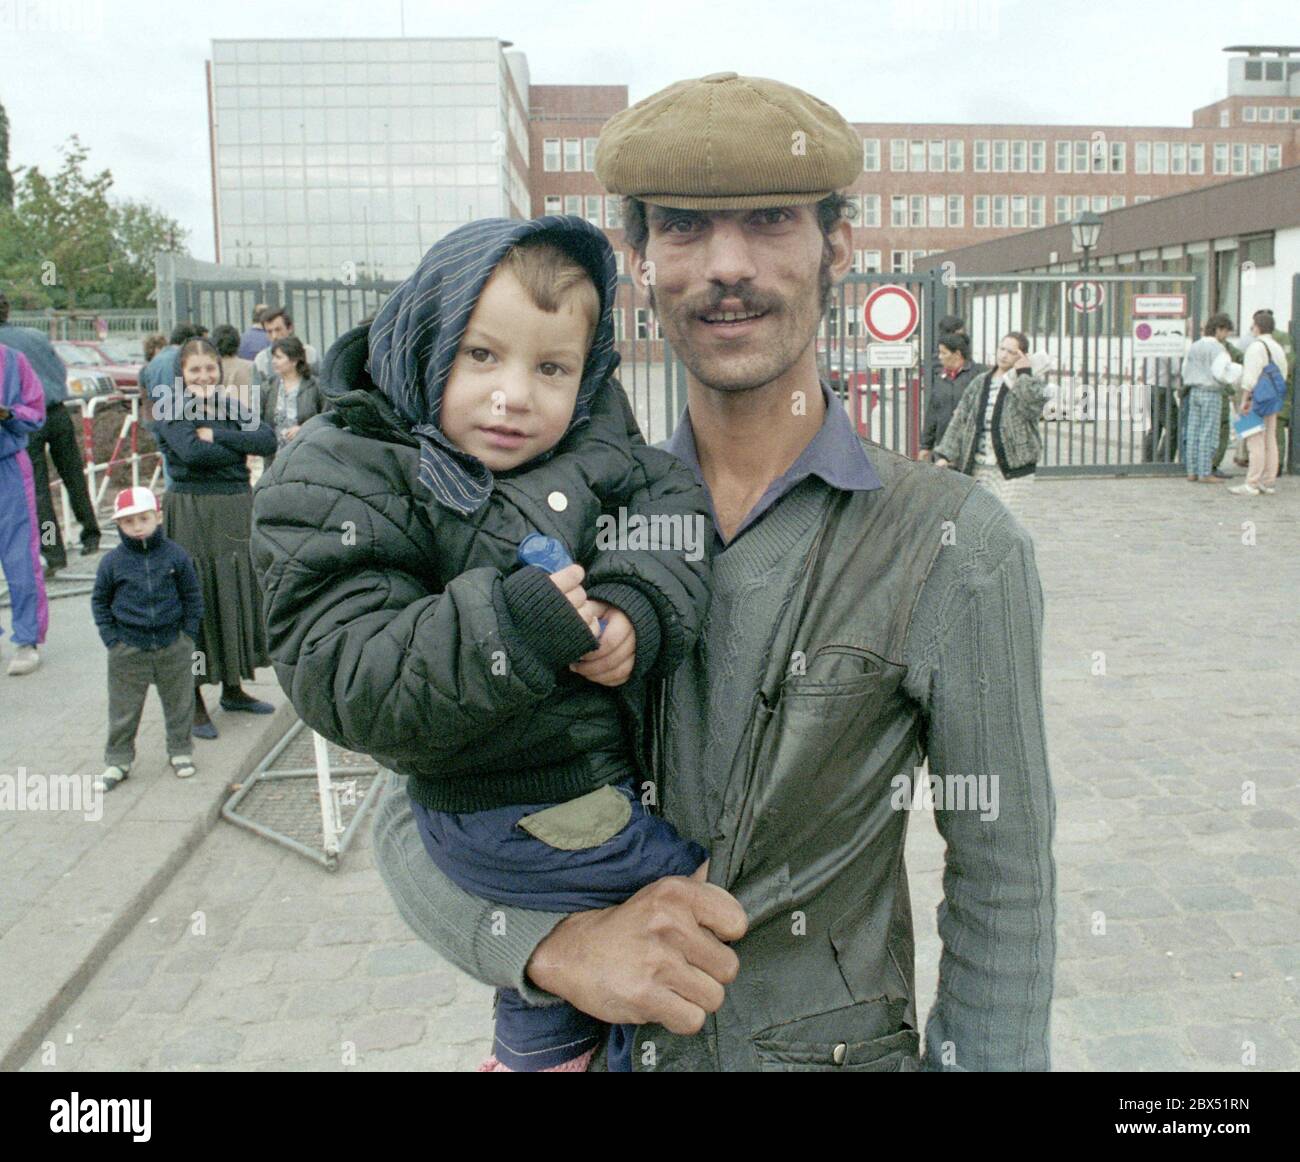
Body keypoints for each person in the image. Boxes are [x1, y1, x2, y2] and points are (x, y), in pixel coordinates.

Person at [364, 73, 1055, 1073]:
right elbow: (407, 805)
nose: (727, 265)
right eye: (685, 227)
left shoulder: (952, 543)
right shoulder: (538, 512)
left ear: (838, 244)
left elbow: (1006, 879)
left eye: (772, 219)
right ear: (640, 258)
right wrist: (552, 950)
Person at [252, 215, 713, 1072]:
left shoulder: (594, 442)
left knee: (598, 972)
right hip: (504, 801)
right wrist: (512, 628)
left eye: (551, 368)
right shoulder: (350, 471)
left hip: (584, 782)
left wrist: (635, 606)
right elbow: (347, 671)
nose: (515, 395)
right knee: (702, 893)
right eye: (482, 356)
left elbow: (674, 510)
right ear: (428, 343)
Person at [152, 337, 277, 738]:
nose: (204, 376)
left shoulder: (228, 405)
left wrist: (217, 436)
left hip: (234, 508)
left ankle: (233, 687)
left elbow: (267, 440)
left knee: (234, 591)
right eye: (195, 370)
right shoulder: (171, 409)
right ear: (181, 374)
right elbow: (191, 454)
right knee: (197, 594)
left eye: (210, 369)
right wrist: (232, 449)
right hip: (193, 511)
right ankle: (191, 700)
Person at [91, 486, 203, 791]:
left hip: (173, 645)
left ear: (158, 516)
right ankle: (118, 760)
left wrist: (187, 634)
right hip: (127, 648)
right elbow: (100, 602)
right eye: (128, 522)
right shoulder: (112, 563)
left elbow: (192, 595)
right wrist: (111, 639)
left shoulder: (176, 555)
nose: (137, 527)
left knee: (179, 703)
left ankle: (180, 751)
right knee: (123, 708)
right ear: (119, 526)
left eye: (143, 518)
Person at [0, 292, 100, 572]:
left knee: (40, 490)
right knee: (73, 476)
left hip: (23, 420)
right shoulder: (35, 336)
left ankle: (53, 552)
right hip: (56, 411)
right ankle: (91, 533)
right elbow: (58, 370)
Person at [933, 331, 1047, 510]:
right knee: (982, 522)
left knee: (1006, 523)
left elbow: (1032, 408)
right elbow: (961, 419)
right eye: (1002, 349)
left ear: (1022, 356)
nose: (1004, 355)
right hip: (979, 466)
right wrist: (945, 455)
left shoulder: (1031, 382)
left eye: (1011, 352)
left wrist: (1024, 372)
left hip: (1014, 470)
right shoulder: (979, 382)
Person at [0, 344, 48, 676]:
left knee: (20, 557)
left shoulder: (14, 361)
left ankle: (27, 639)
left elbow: (36, 412)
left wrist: (9, 414)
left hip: (8, 469)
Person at [1230, 309, 1290, 497]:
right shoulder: (1277, 347)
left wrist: (1245, 399)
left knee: (1254, 440)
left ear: (1257, 327)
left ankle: (1252, 482)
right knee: (1270, 439)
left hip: (1257, 397)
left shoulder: (1256, 347)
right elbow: (1284, 372)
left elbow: (1250, 376)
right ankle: (1268, 481)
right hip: (1273, 397)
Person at [1180, 314, 1239, 484]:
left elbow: (1185, 370)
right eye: (1226, 331)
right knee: (1208, 432)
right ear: (1219, 330)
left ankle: (1192, 470)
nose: (1226, 335)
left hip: (1194, 391)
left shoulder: (1194, 346)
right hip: (1211, 392)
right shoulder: (1218, 349)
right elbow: (1222, 373)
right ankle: (1205, 471)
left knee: (1193, 431)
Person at [258, 336, 328, 472]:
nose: (274, 362)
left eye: (279, 357)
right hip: (274, 460)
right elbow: (258, 421)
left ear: (294, 360)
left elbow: (327, 418)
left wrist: (304, 428)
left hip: (308, 456)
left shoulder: (316, 387)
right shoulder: (267, 388)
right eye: (273, 357)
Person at [919, 331, 984, 461]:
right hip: (944, 447)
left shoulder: (978, 376)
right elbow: (932, 413)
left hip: (970, 447)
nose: (940, 357)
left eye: (944, 353)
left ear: (957, 354)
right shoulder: (941, 379)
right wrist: (925, 445)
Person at [252, 309, 317, 381]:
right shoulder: (261, 359)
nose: (274, 336)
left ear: (290, 328)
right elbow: (256, 389)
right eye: (269, 332)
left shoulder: (309, 353)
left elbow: (321, 383)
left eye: (278, 330)